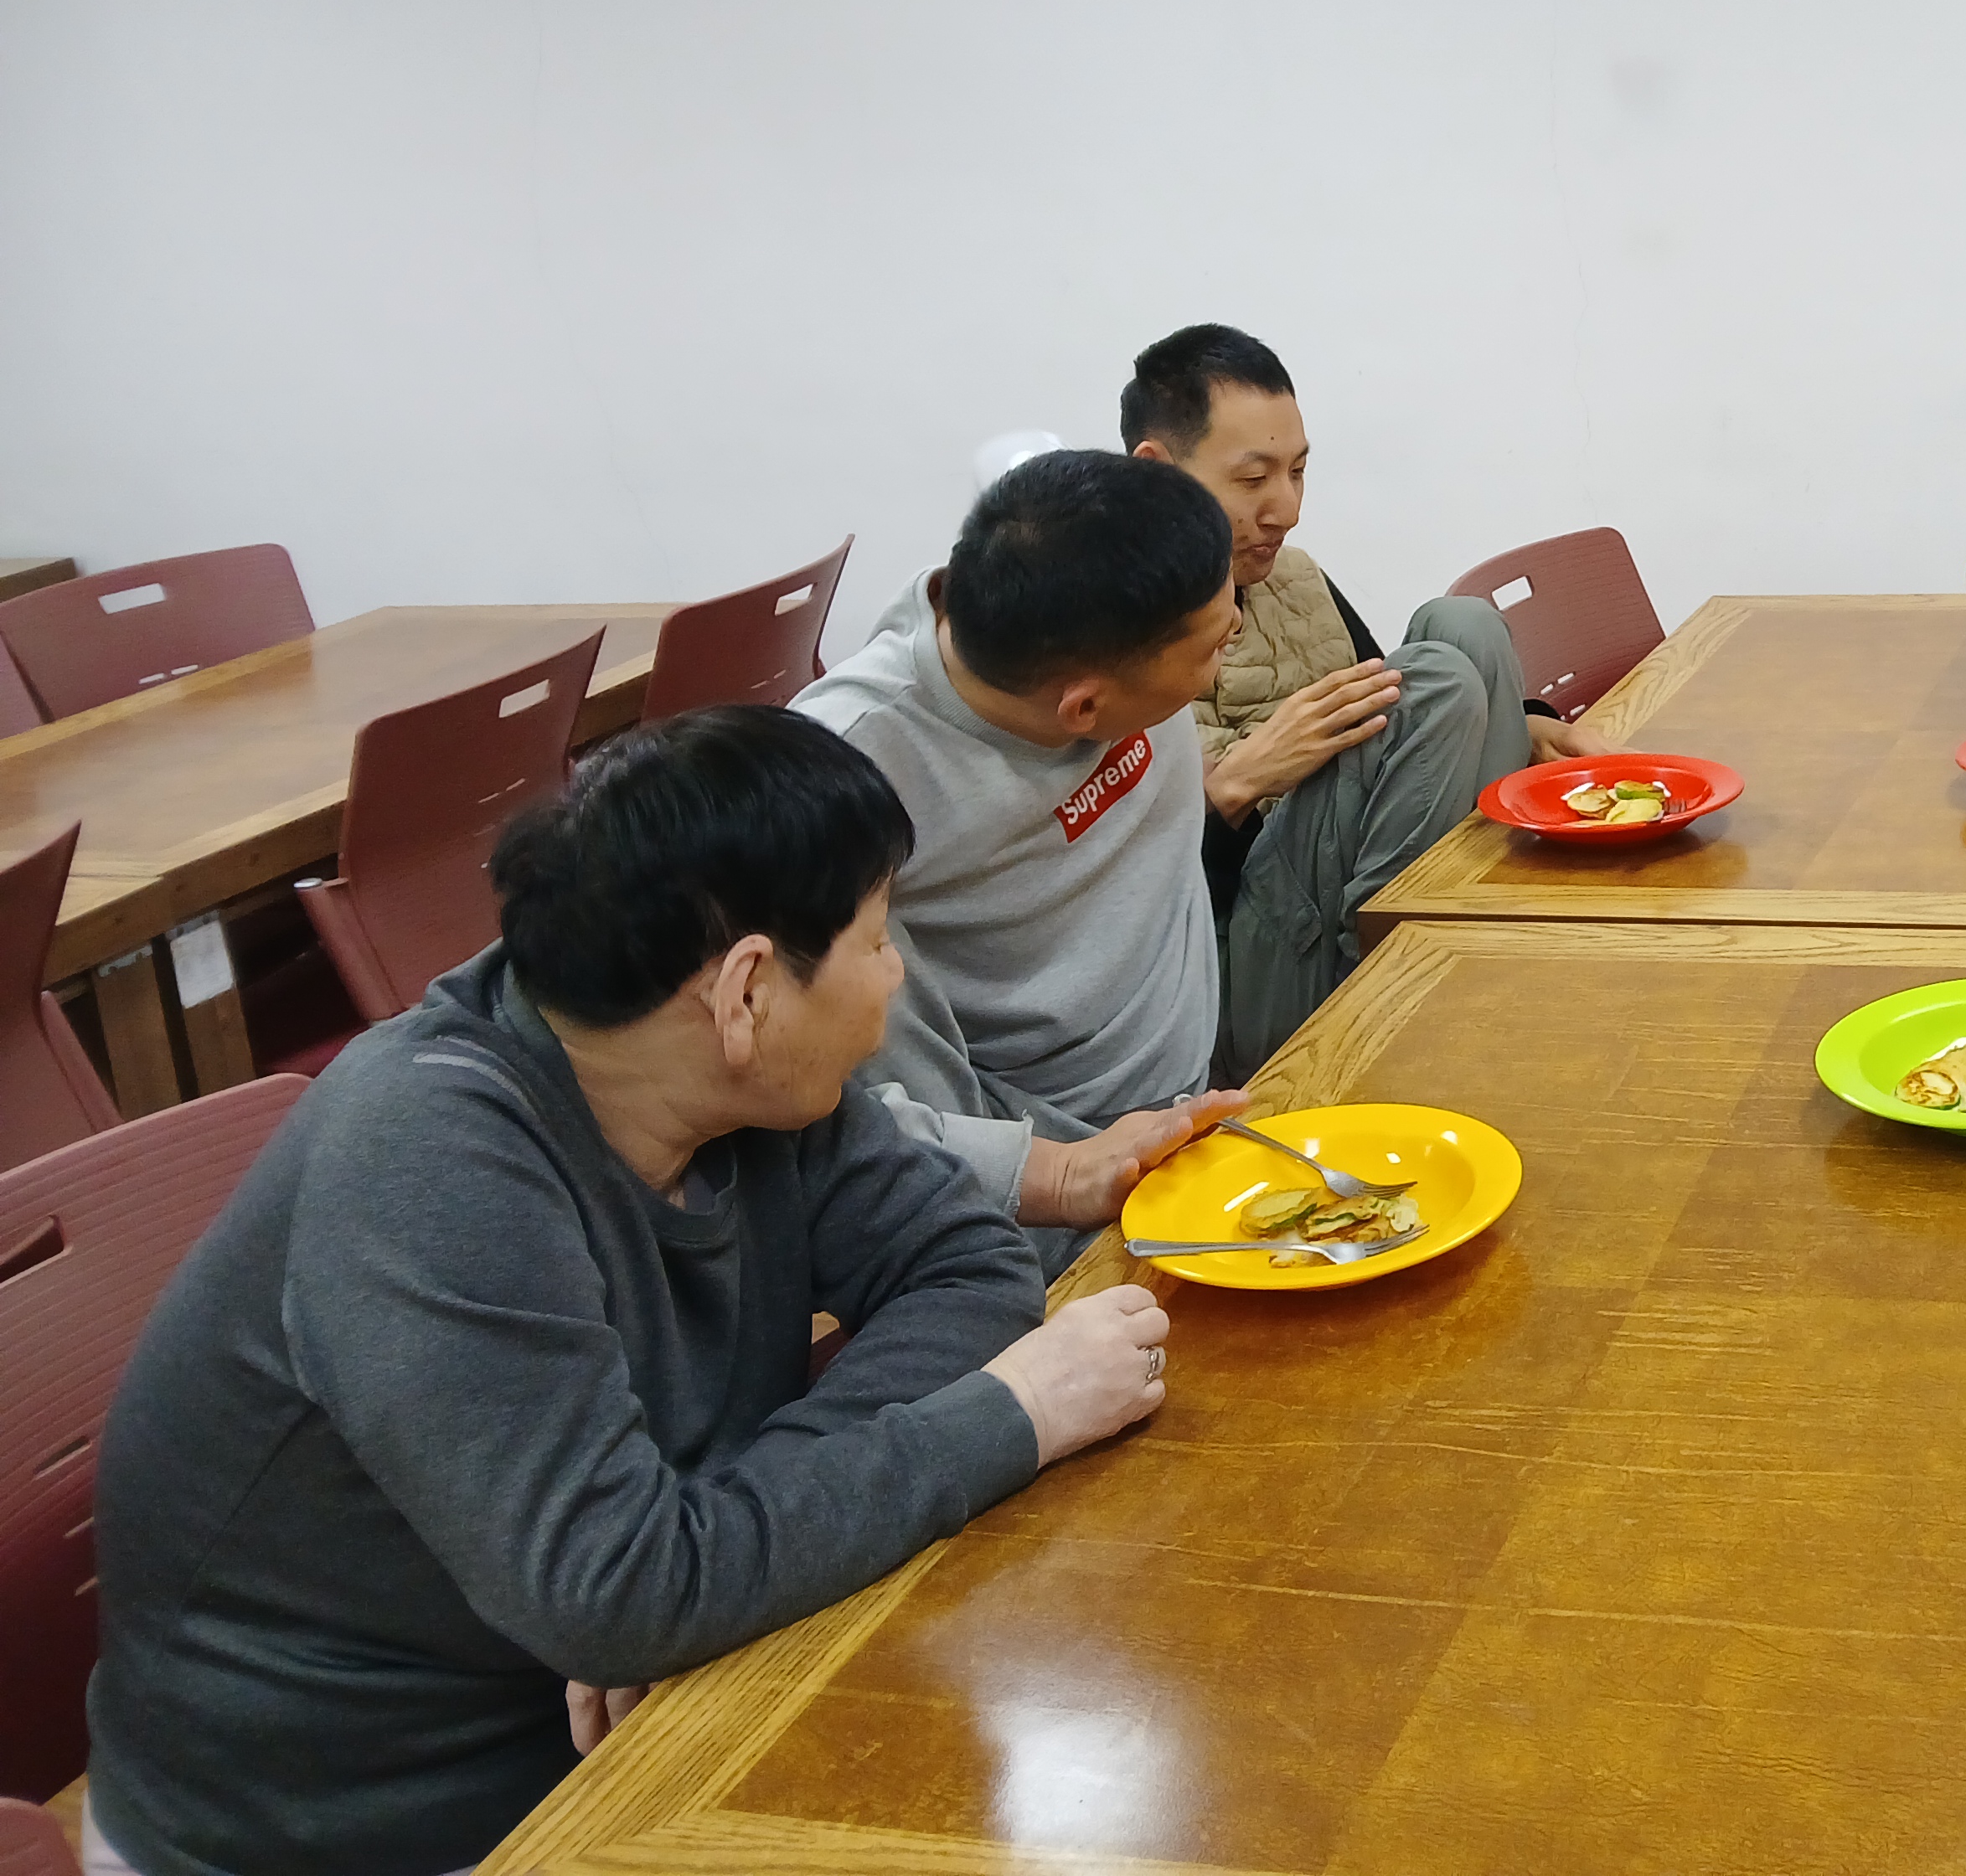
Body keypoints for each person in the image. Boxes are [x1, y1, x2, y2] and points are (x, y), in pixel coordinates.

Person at [84, 708, 1196, 1876]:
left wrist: (706, 1549)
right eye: (876, 939)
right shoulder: (428, 1160)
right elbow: (616, 1596)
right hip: (366, 1820)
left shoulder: (739, 1083)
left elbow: (966, 1262)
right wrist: (1016, 1412)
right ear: (746, 992)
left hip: (630, 1702)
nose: (894, 975)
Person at [1119, 323, 1588, 1085]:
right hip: (1226, 977)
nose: (1286, 508)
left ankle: (1475, 929)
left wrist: (1524, 717)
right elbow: (1109, 903)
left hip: (1323, 890)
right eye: (1253, 479)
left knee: (1461, 626)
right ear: (1156, 472)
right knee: (1436, 676)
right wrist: (1234, 786)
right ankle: (1388, 1003)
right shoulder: (1103, 628)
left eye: (1298, 472)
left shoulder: (1291, 574)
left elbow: (1387, 701)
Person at [796, 451, 1251, 1229]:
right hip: (1077, 1160)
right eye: (1213, 648)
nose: (1233, 635)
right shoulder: (836, 779)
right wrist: (1061, 1175)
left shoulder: (1078, 593)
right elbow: (813, 1107)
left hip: (1210, 1052)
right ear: (1083, 711)